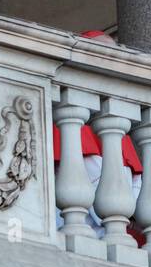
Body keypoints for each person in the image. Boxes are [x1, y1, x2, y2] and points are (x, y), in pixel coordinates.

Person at [52, 30, 145, 242]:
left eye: (114, 57)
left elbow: (137, 190)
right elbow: (93, 190)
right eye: (103, 56)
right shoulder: (71, 120)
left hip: (115, 232)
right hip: (83, 231)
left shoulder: (117, 127)